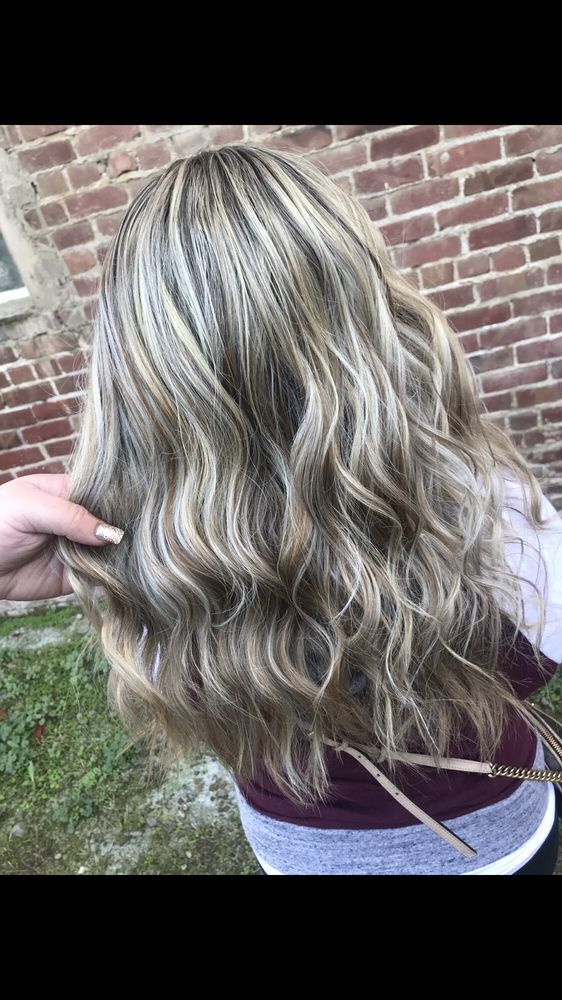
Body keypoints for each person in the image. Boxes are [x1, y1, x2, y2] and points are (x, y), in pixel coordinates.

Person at [6, 143, 562, 875]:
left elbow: (208, 701)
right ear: (366, 308)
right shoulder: (478, 496)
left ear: (132, 358)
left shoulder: (139, 546)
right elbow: (541, 655)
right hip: (490, 838)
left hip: (300, 849)